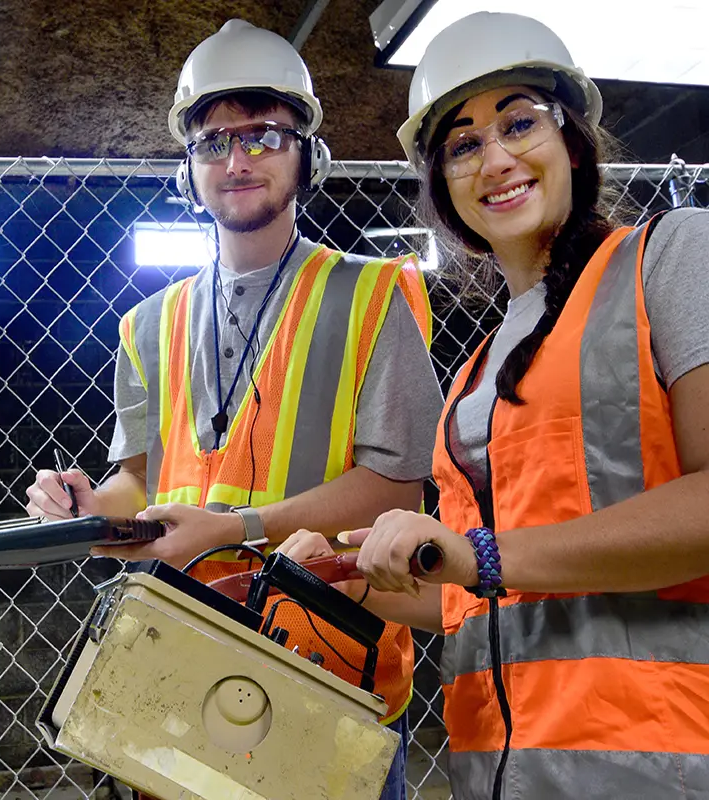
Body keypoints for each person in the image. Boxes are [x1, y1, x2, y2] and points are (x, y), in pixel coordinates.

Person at [279, 11, 709, 799]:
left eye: (519, 123)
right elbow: (472, 597)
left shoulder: (671, 257)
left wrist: (478, 553)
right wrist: (352, 578)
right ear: (444, 183)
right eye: (465, 145)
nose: (497, 158)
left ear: (572, 140)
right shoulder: (477, 372)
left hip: (664, 764)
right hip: (503, 776)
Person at [25, 18, 443, 799]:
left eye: (262, 136)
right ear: (188, 171)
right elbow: (137, 484)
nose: (237, 159)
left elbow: (394, 492)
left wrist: (236, 528)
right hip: (182, 665)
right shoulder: (147, 323)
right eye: (213, 142)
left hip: (327, 668)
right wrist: (89, 506)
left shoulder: (372, 295)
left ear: (307, 157)